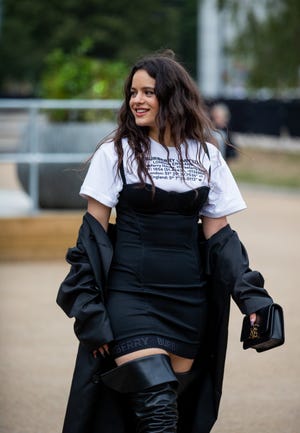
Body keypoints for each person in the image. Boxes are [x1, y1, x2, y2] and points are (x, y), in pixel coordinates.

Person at [57, 51, 274, 433]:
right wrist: (88, 311)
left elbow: (221, 239)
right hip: (130, 297)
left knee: (167, 412)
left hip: (188, 302)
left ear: (172, 97)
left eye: (148, 92)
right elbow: (91, 236)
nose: (136, 100)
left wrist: (252, 297)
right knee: (158, 410)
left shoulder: (207, 155)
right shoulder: (116, 152)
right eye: (133, 92)